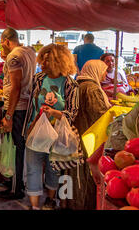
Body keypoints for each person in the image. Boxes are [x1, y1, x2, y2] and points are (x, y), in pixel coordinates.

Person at [24, 44, 79, 210]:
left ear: (58, 62)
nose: (42, 64)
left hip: (57, 135)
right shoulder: (38, 78)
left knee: (53, 168)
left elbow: (72, 113)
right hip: (36, 131)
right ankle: (34, 206)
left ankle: (50, 199)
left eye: (47, 61)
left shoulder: (70, 84)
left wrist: (55, 112)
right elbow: (31, 105)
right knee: (32, 167)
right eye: (42, 60)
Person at [63, 59, 111, 210]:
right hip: (86, 139)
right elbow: (100, 115)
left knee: (72, 173)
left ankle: (68, 204)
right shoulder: (91, 89)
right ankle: (81, 206)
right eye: (103, 71)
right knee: (82, 177)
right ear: (95, 70)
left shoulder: (78, 85)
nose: (104, 75)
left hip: (73, 137)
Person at [0, 28, 36, 200]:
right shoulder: (29, 51)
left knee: (15, 148)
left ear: (6, 41)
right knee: (19, 146)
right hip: (26, 105)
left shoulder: (13, 56)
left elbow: (16, 87)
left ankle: (16, 188)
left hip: (17, 107)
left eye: (1, 43)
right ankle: (15, 181)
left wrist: (9, 116)